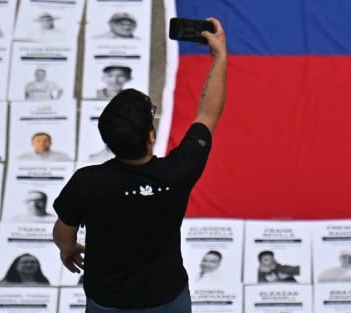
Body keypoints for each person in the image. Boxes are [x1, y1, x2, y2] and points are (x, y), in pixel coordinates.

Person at [52, 19, 226, 311]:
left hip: (107, 300)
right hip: (166, 298)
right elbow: (208, 115)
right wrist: (219, 55)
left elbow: (63, 234)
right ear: (150, 136)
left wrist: (68, 250)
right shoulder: (178, 172)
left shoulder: (86, 182)